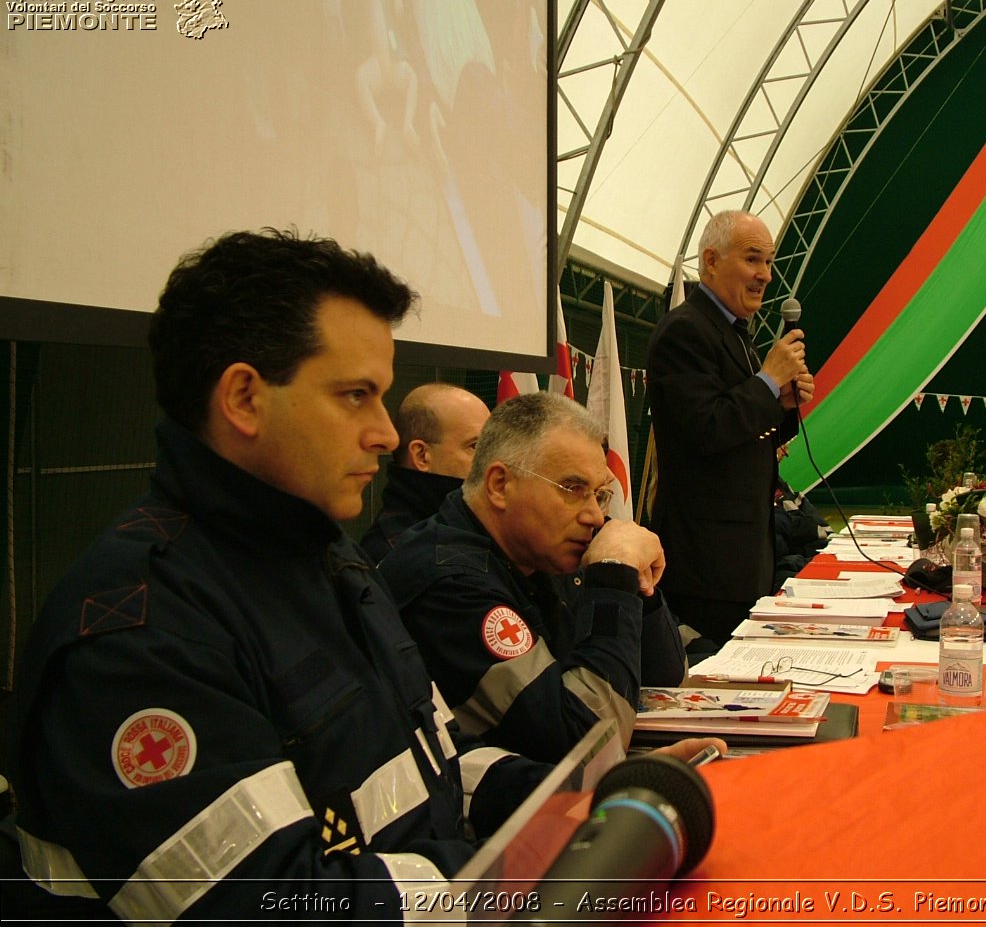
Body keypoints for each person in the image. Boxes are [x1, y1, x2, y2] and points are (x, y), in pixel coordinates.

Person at [1, 229, 716, 921]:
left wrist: (577, 798)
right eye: (355, 396)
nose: (382, 432)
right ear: (245, 398)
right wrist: (498, 874)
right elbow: (268, 907)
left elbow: (430, 765)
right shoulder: (141, 632)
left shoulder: (326, 560)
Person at [379, 391, 688, 763]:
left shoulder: (538, 549)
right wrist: (611, 579)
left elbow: (665, 681)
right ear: (499, 485)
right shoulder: (449, 582)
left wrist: (636, 586)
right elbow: (587, 744)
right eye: (573, 490)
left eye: (600, 495)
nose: (593, 516)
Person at [645, 209, 815, 644]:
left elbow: (749, 438)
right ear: (711, 260)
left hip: (744, 556)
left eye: (770, 262)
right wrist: (767, 381)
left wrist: (782, 404)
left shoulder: (738, 333)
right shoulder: (685, 332)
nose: (766, 275)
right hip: (705, 564)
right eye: (753, 259)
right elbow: (705, 429)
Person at [361, 381, 490, 562]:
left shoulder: (466, 523)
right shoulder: (396, 552)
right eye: (475, 446)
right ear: (421, 456)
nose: (493, 460)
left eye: (491, 446)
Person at [772, 444, 833, 591]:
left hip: (805, 557)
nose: (786, 452)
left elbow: (823, 529)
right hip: (783, 570)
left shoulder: (779, 483)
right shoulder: (754, 487)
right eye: (782, 446)